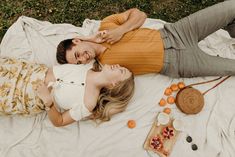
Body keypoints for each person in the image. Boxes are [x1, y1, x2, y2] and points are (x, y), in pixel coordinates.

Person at [56, 1, 235, 78]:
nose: (83, 59)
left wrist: (121, 30)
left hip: (178, 32)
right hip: (180, 63)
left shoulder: (106, 25)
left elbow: (140, 14)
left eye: (77, 54)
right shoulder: (103, 69)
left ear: (77, 41)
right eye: (78, 62)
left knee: (231, 7)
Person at [0, 57, 134, 127]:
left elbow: (59, 121)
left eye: (121, 71)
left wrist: (49, 102)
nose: (118, 65)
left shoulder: (88, 103)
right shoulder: (90, 63)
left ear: (114, 85)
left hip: (22, 97)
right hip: (23, 71)